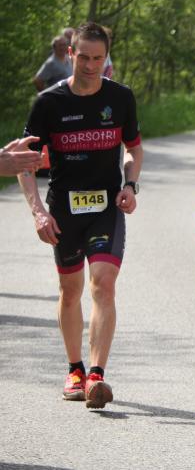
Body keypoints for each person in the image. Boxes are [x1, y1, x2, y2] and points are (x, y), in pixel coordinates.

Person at [18, 22, 143, 409]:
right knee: (70, 291)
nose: (91, 65)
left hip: (106, 206)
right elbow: (24, 163)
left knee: (103, 284)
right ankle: (74, 368)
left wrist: (130, 184)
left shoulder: (120, 98)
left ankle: (96, 376)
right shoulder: (49, 104)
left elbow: (133, 148)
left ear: (107, 59)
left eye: (98, 58)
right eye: (84, 57)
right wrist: (39, 213)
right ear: (70, 54)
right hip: (63, 210)